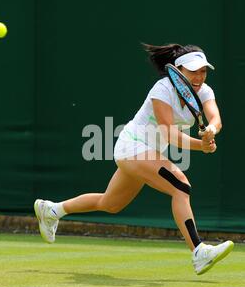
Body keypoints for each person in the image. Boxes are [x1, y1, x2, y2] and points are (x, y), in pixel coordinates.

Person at [34, 43, 234, 275]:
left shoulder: (205, 91)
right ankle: (199, 251)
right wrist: (201, 146)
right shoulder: (162, 89)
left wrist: (211, 129)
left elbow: (215, 118)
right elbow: (169, 132)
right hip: (132, 146)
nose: (199, 76)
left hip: (148, 153)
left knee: (110, 203)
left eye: (203, 71)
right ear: (179, 70)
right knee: (181, 186)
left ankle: (51, 210)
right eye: (193, 71)